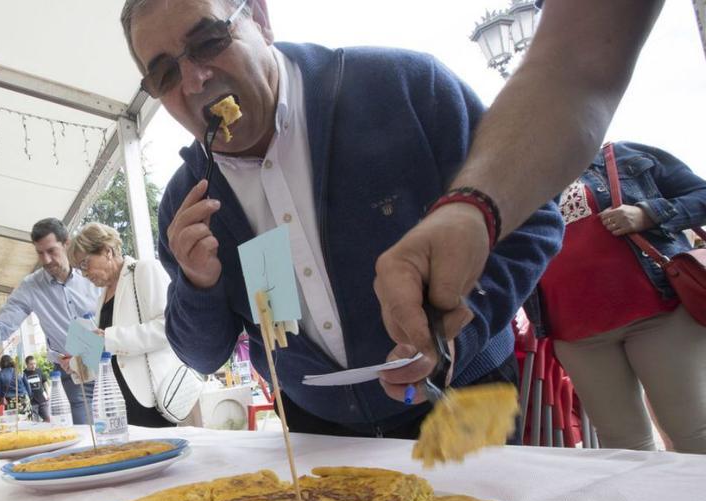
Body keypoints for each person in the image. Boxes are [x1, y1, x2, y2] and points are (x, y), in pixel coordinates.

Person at [121, 0, 563, 437]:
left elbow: (533, 221)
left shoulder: (403, 87)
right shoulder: (186, 202)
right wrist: (198, 285)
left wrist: (457, 332)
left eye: (209, 40)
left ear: (259, 18)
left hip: (461, 402)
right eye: (164, 73)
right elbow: (202, 356)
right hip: (319, 435)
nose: (195, 80)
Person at [373, 0, 667, 386]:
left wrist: (648, 212)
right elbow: (576, 67)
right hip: (575, 326)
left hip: (648, 310)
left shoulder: (627, 157)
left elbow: (579, 68)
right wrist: (473, 209)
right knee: (622, 441)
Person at [537, 142, 706, 452]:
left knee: (693, 434)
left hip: (660, 316)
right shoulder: (521, 184)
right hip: (576, 335)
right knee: (622, 449)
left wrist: (648, 213)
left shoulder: (625, 155)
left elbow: (701, 195)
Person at [0, 218, 100, 423]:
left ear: (66, 243)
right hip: (72, 373)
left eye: (51, 251)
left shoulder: (92, 274)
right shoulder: (31, 286)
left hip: (111, 365)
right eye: (39, 252)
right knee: (87, 432)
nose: (45, 260)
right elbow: (2, 327)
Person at [69, 223, 179, 429]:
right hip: (118, 401)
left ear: (107, 251)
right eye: (79, 269)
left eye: (85, 264)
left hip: (152, 397)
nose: (84, 274)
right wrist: (77, 362)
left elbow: (168, 328)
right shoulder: (102, 296)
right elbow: (108, 349)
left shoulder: (145, 269)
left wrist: (109, 339)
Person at [22, 355, 51, 422]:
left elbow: (45, 382)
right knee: (35, 422)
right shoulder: (24, 374)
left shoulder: (39, 371)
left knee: (48, 418)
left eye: (34, 363)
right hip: (32, 402)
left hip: (42, 400)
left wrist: (48, 394)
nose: (33, 366)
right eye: (31, 364)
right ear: (26, 364)